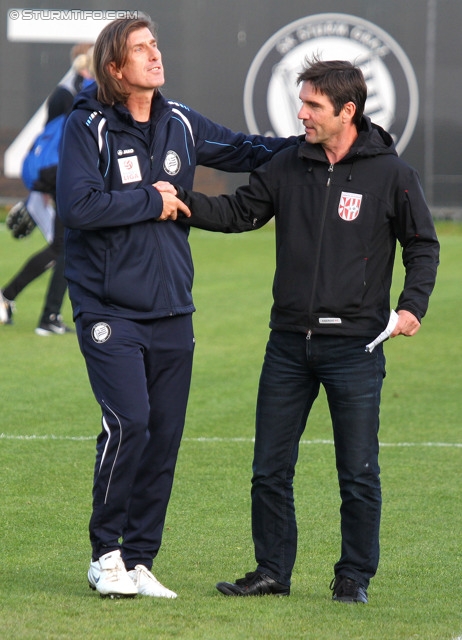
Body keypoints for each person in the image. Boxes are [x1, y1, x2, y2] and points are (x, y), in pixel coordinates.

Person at [161, 58, 440, 603]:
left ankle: (353, 578)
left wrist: (412, 306)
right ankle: (272, 572)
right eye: (303, 102)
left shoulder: (393, 174)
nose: (302, 114)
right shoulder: (290, 163)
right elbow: (241, 211)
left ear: (347, 111)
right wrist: (183, 203)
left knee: (358, 473)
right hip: (288, 343)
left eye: (313, 105)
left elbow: (422, 244)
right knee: (269, 468)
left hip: (357, 348)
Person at [56, 15, 296, 599]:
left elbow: (245, 150)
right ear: (115, 67)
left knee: (162, 437)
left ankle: (139, 562)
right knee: (129, 422)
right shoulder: (85, 124)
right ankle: (105, 556)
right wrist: (150, 199)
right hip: (109, 308)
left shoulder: (180, 121)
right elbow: (79, 207)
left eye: (156, 44)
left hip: (171, 309)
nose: (155, 55)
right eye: (141, 49)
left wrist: (315, 144)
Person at [0, 47, 93, 334]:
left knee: (65, 247)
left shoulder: (66, 92)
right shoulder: (80, 93)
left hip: (58, 178)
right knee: (65, 248)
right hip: (64, 178)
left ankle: (12, 297)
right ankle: (47, 316)